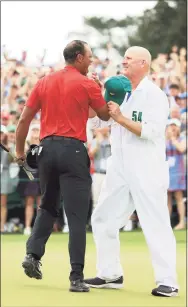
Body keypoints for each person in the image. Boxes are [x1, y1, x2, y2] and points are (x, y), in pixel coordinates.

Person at [15, 40, 110, 292]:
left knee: (47, 207)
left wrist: (19, 151)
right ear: (79, 57)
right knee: (77, 216)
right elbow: (103, 115)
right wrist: (99, 89)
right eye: (89, 56)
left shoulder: (44, 81)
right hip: (73, 150)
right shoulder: (87, 83)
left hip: (46, 149)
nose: (91, 60)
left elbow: (24, 119)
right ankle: (76, 277)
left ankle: (32, 256)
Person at [84, 46, 179, 297]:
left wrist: (121, 117)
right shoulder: (118, 89)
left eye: (129, 59)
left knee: (155, 223)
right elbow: (96, 121)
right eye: (123, 58)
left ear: (144, 64)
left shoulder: (155, 95)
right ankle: (110, 273)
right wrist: (95, 93)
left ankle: (168, 281)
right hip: (119, 166)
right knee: (102, 218)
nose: (123, 62)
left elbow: (151, 131)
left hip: (147, 167)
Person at [166, 119, 186, 230]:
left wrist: (173, 139)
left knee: (179, 197)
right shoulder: (164, 140)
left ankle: (182, 222)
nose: (172, 128)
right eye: (170, 126)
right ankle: (166, 223)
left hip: (178, 172)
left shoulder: (182, 138)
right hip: (166, 172)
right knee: (167, 197)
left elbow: (182, 148)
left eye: (175, 126)